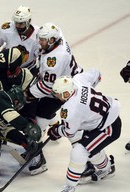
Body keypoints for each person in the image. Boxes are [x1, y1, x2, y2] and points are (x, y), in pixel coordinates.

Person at [20, 22, 84, 176]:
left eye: (43, 40)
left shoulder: (55, 58)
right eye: (40, 38)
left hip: (65, 91)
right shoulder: (57, 39)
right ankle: (37, 146)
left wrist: (28, 92)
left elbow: (48, 87)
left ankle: (38, 157)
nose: (39, 42)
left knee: (40, 118)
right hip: (65, 83)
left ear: (52, 40)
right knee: (41, 113)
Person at [47, 69, 121, 192]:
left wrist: (56, 131)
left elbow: (70, 132)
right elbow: (97, 74)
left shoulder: (70, 110)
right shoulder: (77, 81)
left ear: (66, 93)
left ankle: (69, 186)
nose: (56, 96)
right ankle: (107, 168)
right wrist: (88, 93)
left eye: (58, 94)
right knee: (91, 149)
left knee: (79, 152)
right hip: (104, 118)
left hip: (108, 127)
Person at [0, 5, 40, 75]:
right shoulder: (8, 27)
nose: (18, 26)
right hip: (6, 64)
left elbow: (42, 56)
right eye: (16, 23)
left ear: (28, 21)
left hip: (28, 69)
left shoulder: (38, 36)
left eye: (21, 24)